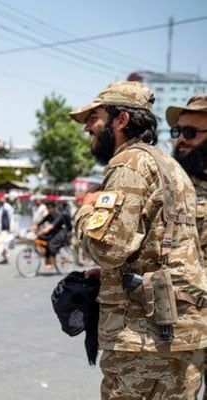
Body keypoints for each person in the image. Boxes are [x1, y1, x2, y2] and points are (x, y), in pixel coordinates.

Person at [70, 81, 207, 399]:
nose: (89, 126)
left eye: (95, 117)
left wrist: (85, 211)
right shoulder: (170, 166)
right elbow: (161, 247)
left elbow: (108, 248)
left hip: (144, 339)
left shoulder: (129, 163)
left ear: (121, 120)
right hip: (182, 334)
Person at [166, 94, 207, 400]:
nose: (181, 139)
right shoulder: (171, 184)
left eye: (191, 132)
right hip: (185, 324)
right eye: (177, 131)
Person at [32, 202, 68, 270]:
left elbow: (52, 226)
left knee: (50, 244)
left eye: (50, 208)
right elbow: (40, 222)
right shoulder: (48, 216)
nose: (48, 210)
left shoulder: (58, 216)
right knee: (41, 240)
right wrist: (33, 227)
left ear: (53, 208)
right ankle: (48, 262)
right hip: (53, 233)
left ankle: (53, 262)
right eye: (47, 208)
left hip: (61, 233)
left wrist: (44, 230)